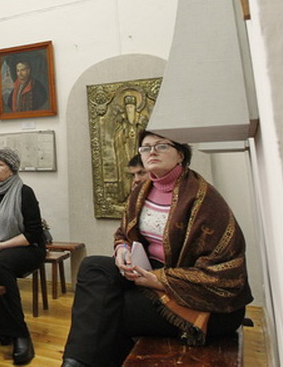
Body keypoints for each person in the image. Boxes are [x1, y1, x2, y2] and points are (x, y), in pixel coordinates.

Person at [61, 131, 253, 367]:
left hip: (208, 301)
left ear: (180, 154)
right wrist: (122, 249)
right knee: (93, 266)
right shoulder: (141, 191)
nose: (151, 152)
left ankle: (78, 363)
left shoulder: (205, 199)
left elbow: (222, 274)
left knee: (104, 311)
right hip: (150, 273)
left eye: (161, 146)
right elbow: (124, 233)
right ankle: (75, 363)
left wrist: (158, 279)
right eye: (145, 147)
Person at [0, 148, 46, 365]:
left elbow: (33, 234)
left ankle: (19, 333)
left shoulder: (24, 192)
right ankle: (0, 322)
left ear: (12, 169)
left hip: (29, 247)